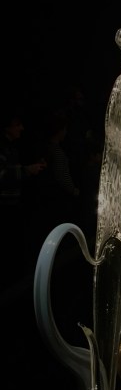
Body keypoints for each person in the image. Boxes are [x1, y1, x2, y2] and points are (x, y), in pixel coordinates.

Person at [0, 109, 47, 285]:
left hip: (13, 203)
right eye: (17, 125)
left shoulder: (12, 147)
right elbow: (2, 174)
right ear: (7, 127)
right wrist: (26, 170)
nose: (21, 128)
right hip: (5, 206)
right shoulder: (3, 147)